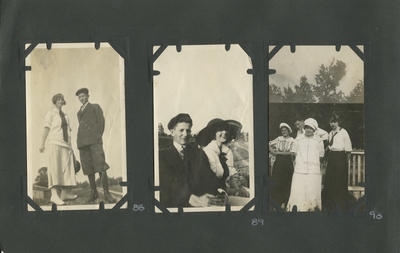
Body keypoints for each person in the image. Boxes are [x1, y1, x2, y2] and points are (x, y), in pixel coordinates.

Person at [158, 113, 225, 208]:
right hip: (175, 206)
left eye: (188, 131)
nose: (185, 134)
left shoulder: (199, 153)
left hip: (202, 205)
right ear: (172, 132)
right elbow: (167, 185)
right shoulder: (162, 156)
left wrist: (220, 192)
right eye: (181, 130)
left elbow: (209, 178)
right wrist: (192, 198)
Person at [75, 88, 116, 203]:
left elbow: (101, 123)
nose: (81, 98)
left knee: (100, 166)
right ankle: (93, 193)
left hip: (94, 141)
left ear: (88, 96)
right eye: (79, 97)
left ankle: (107, 193)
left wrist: (97, 137)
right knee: (88, 168)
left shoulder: (95, 107)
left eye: (83, 96)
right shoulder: (79, 113)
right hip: (82, 143)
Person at [195, 118, 249, 198]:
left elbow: (230, 178)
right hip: (213, 195)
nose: (224, 132)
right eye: (220, 130)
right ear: (213, 133)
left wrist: (239, 192)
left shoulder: (227, 152)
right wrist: (234, 192)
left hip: (227, 192)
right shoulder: (207, 153)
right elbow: (208, 184)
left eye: (226, 129)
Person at [39, 93, 77, 205]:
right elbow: (46, 128)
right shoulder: (50, 113)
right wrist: (42, 143)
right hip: (54, 142)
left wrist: (71, 147)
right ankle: (54, 195)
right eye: (58, 99)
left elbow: (69, 132)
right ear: (55, 101)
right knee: (55, 168)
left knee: (66, 168)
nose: (60, 101)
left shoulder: (66, 116)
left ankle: (64, 194)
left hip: (66, 145)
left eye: (62, 99)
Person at [286, 118, 325, 212]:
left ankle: (313, 209)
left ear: (314, 129)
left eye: (310, 128)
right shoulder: (298, 139)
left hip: (313, 171)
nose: (308, 130)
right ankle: (296, 209)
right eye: (306, 127)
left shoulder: (319, 140)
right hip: (300, 169)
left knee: (312, 191)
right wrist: (300, 163)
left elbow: (320, 155)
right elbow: (294, 153)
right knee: (299, 190)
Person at [322, 113, 353, 211]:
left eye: (334, 122)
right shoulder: (330, 133)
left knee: (339, 181)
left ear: (338, 122)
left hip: (341, 158)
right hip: (332, 157)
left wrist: (345, 163)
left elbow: (348, 150)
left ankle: (340, 204)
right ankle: (330, 205)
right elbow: (330, 147)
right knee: (330, 180)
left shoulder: (343, 132)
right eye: (331, 122)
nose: (333, 124)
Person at [268, 123, 295, 209]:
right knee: (277, 180)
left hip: (287, 162)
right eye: (282, 130)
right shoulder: (278, 139)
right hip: (278, 162)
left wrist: (278, 152)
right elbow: (269, 144)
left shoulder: (292, 140)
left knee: (286, 181)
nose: (284, 132)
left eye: (285, 130)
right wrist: (272, 151)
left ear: (289, 131)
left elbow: (291, 152)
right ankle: (276, 202)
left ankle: (284, 202)